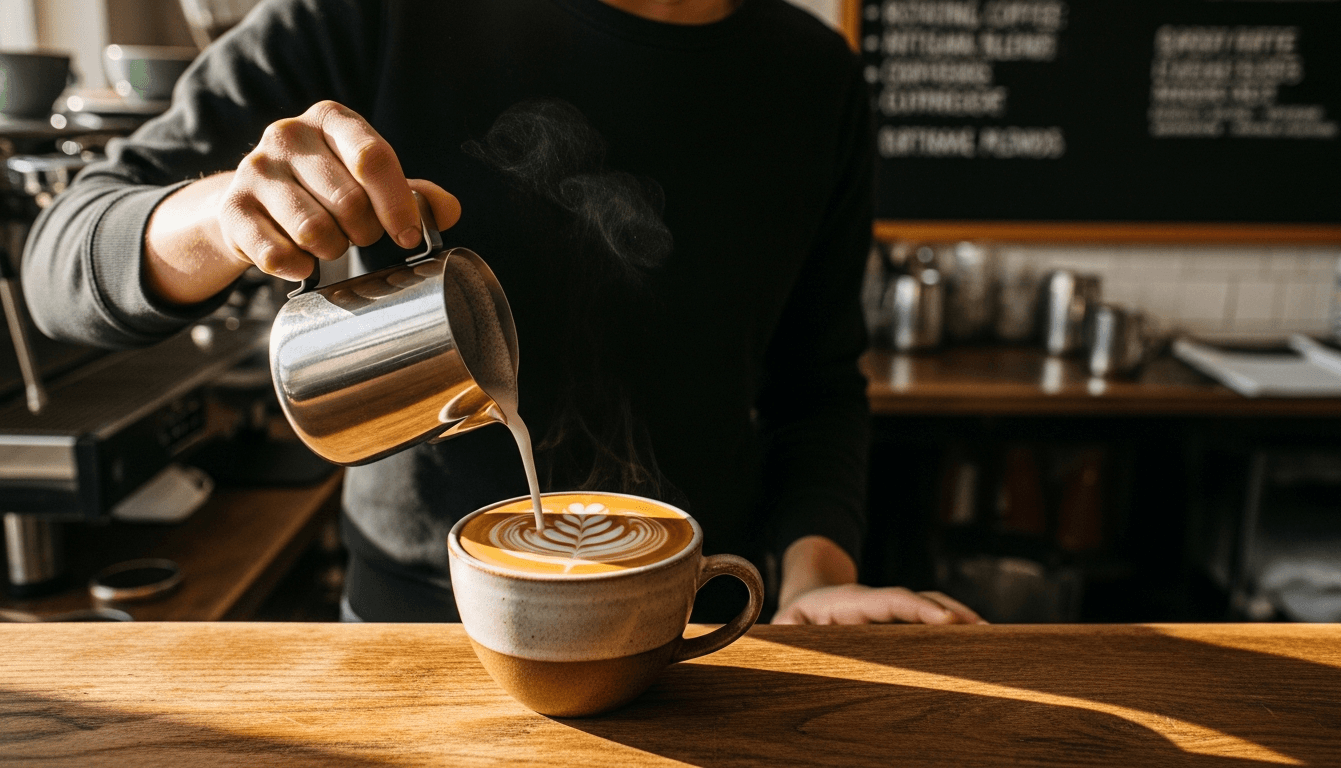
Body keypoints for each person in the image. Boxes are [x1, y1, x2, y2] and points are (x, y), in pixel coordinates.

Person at [24, 0, 982, 625]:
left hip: (700, 622)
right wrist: (218, 217)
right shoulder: (373, 17)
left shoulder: (814, 76)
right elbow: (58, 264)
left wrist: (819, 581)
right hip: (413, 625)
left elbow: (818, 386)